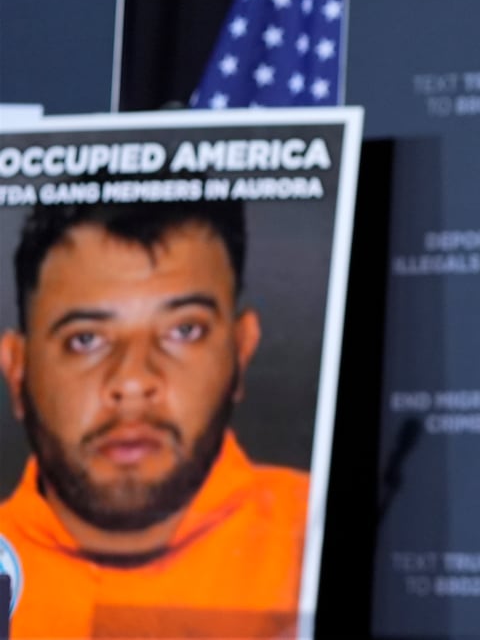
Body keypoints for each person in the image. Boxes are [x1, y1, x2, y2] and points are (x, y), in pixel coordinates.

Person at [0, 201, 306, 639]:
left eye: (184, 331)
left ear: (241, 351)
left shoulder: (322, 535)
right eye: (85, 339)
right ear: (18, 369)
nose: (133, 381)